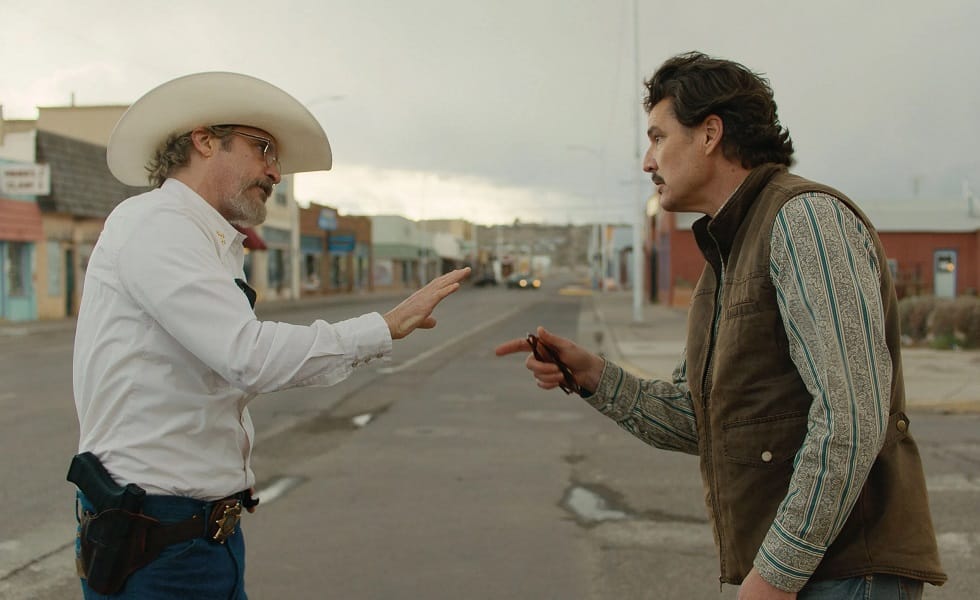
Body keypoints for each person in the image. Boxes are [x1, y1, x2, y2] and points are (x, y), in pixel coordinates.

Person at [496, 52, 946, 599]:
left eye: (658, 137)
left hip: (847, 575)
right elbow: (700, 422)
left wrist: (776, 576)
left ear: (710, 133)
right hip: (808, 576)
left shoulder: (803, 220)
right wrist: (593, 376)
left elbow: (852, 416)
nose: (647, 160)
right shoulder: (725, 257)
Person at [70, 71, 470, 599]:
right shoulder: (158, 224)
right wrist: (382, 328)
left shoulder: (205, 239)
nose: (275, 172)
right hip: (158, 541)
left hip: (194, 535)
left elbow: (224, 373)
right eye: (263, 149)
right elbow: (248, 356)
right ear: (205, 139)